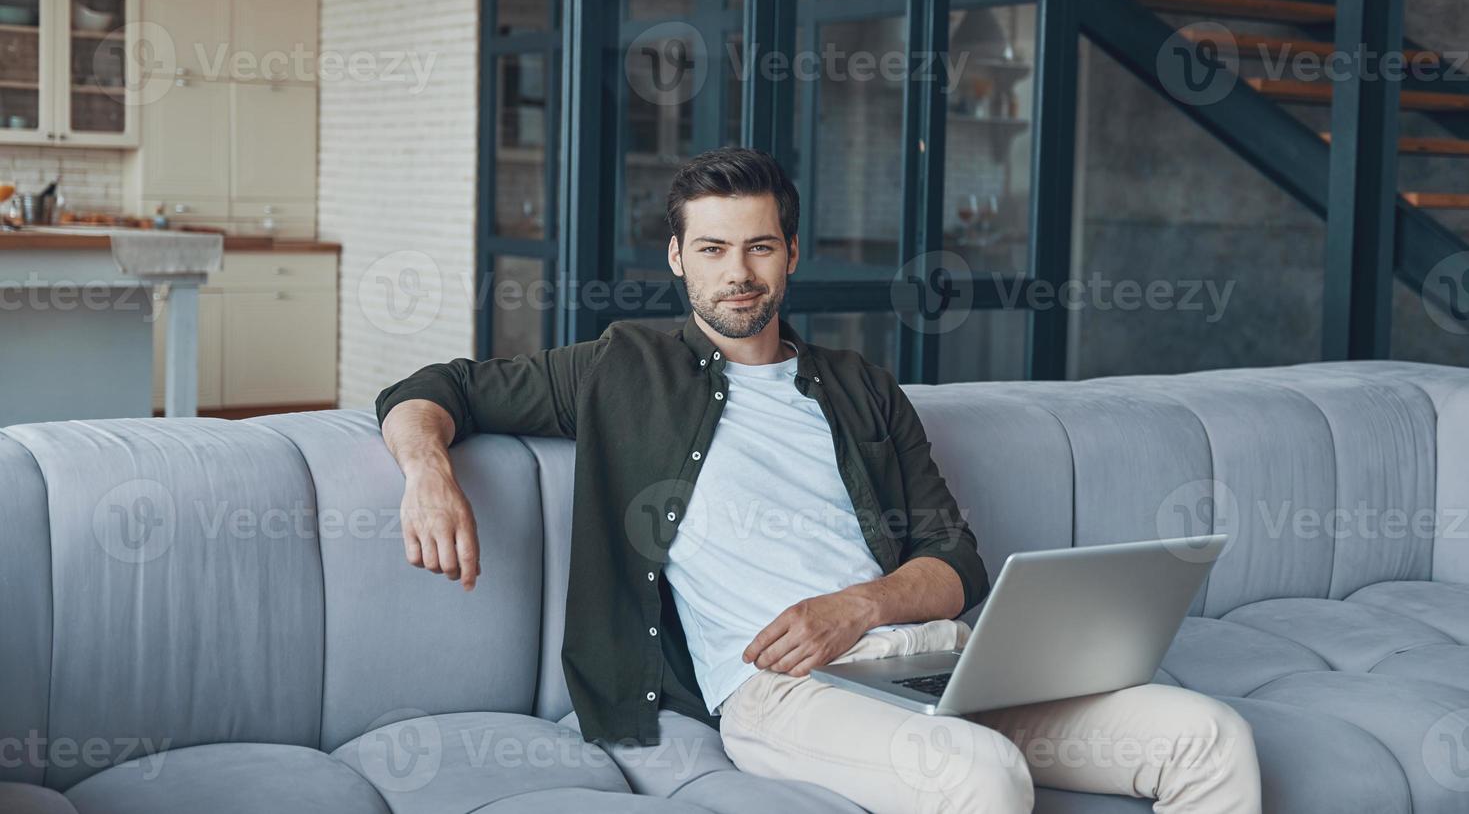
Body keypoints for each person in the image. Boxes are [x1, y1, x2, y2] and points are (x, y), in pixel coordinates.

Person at [375, 146, 1261, 813]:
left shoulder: (860, 386)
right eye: (713, 248)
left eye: (758, 247)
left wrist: (866, 605)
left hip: (925, 658)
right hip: (776, 688)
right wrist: (428, 473)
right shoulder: (619, 368)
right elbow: (433, 389)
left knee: (1209, 736)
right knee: (981, 773)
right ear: (677, 257)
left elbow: (956, 557)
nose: (737, 272)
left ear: (790, 254)